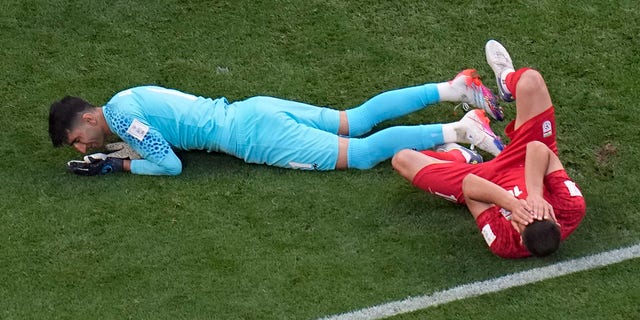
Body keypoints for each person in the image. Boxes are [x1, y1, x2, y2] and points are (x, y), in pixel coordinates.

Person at [49, 69, 505, 176]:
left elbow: (169, 165)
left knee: (363, 154)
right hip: (254, 108)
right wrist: (118, 150)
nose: (81, 146)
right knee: (356, 119)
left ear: (89, 117)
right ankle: (454, 87)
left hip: (254, 137)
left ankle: (462, 130)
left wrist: (116, 166)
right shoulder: (125, 99)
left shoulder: (123, 119)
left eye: (77, 138)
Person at [392, 40, 586, 258]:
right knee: (531, 80)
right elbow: (538, 148)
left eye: (523, 219)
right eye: (540, 211)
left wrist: (512, 205)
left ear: (520, 237)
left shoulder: (504, 243)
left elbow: (470, 186)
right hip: (525, 160)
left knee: (402, 160)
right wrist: (535, 195)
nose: (530, 211)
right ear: (557, 223)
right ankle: (506, 80)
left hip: (483, 180)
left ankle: (462, 153)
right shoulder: (571, 208)